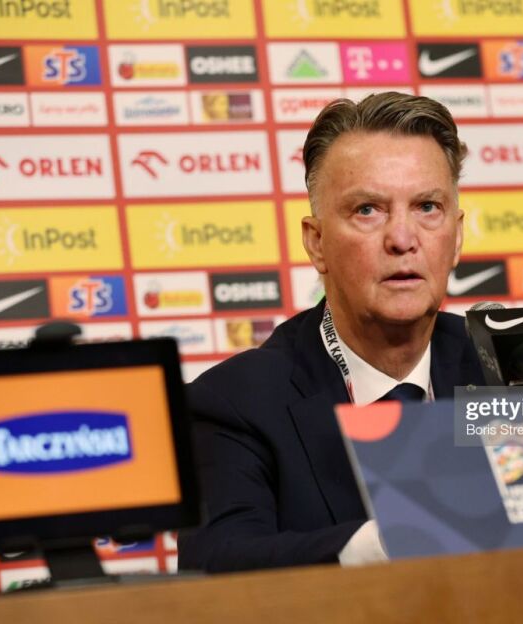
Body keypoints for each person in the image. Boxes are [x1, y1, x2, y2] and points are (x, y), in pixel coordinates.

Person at [177, 92, 484, 572]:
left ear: (457, 236)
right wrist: (379, 545)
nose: (403, 239)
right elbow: (216, 565)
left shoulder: (511, 369)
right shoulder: (236, 403)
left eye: (427, 206)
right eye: (368, 210)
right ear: (316, 243)